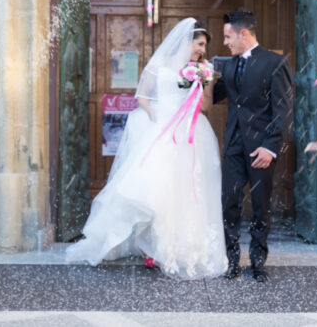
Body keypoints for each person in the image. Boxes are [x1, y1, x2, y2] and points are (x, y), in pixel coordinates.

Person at [65, 18, 227, 280]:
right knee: (154, 190)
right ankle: (150, 244)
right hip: (161, 130)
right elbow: (142, 97)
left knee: (185, 190)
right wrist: (156, 116)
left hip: (191, 133)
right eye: (199, 44)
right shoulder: (159, 65)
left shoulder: (202, 69)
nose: (202, 50)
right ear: (187, 41)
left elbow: (206, 107)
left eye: (204, 46)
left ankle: (179, 245)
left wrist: (203, 84)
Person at [212, 9, 293, 283]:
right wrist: (197, 76)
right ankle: (231, 262)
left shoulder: (275, 63)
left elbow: (282, 109)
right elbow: (216, 95)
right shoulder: (230, 66)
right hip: (234, 145)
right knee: (229, 204)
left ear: (243, 33)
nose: (225, 42)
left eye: (227, 36)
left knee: (260, 206)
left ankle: (258, 263)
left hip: (261, 149)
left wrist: (270, 148)